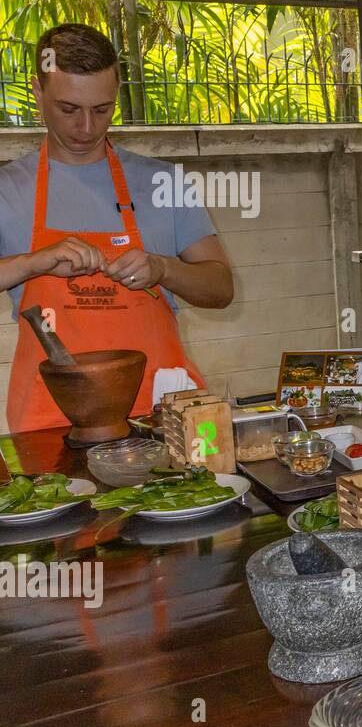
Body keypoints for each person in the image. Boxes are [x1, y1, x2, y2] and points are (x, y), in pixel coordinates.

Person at [0, 24, 233, 433]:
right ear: (38, 92)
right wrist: (32, 263)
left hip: (163, 416)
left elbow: (220, 290)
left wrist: (163, 268)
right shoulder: (7, 191)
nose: (87, 128)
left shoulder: (164, 184)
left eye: (102, 109)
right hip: (52, 425)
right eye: (69, 109)